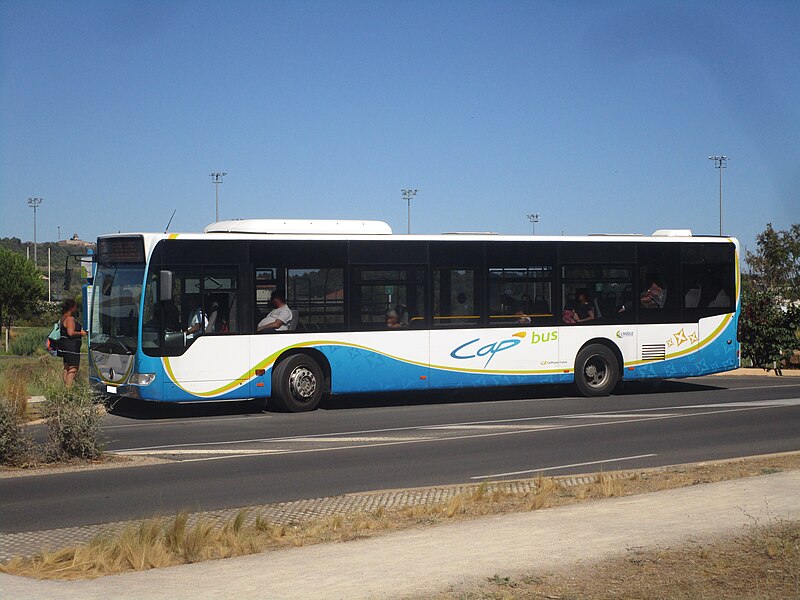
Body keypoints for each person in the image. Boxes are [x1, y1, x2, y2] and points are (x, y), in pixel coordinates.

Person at [58, 298, 87, 387]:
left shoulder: (63, 318)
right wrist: (81, 333)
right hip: (71, 347)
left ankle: (65, 388)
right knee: (73, 369)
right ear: (71, 308)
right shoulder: (70, 319)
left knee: (66, 367)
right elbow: (70, 333)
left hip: (65, 347)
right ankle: (68, 389)